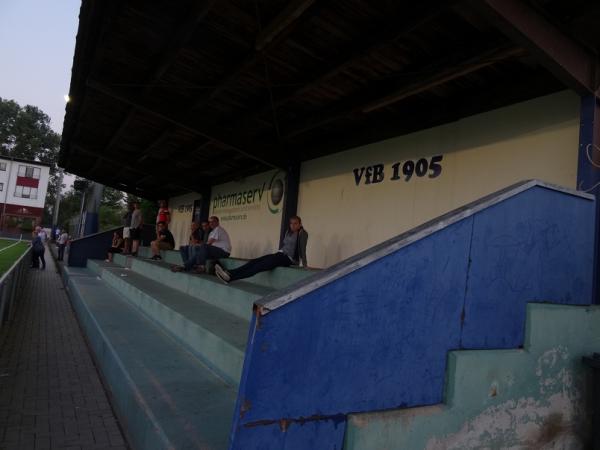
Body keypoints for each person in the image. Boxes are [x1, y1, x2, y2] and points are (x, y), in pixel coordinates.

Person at [215, 215, 308, 284]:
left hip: (288, 259)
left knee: (258, 267)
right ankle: (229, 273)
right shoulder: (289, 231)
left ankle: (230, 278)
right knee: (254, 261)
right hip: (280, 254)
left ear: (300, 224)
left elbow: (303, 249)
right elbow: (285, 245)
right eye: (291, 223)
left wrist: (304, 265)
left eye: (295, 223)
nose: (293, 225)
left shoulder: (302, 233)